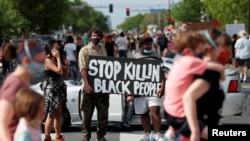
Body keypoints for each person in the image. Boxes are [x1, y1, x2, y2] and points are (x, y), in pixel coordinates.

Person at [163, 29, 225, 141]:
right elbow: (216, 67)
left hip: (170, 112)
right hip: (181, 116)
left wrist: (172, 126)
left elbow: (176, 91)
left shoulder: (179, 61)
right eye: (199, 48)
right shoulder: (192, 62)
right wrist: (195, 131)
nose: (201, 51)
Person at [182, 31, 232, 141]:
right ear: (210, 48)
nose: (227, 51)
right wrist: (195, 130)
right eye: (224, 47)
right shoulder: (208, 73)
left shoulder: (208, 68)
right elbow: (188, 97)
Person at [0, 39, 45, 141]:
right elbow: (2, 123)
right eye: (40, 62)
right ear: (26, 61)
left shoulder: (24, 82)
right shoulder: (15, 84)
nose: (43, 65)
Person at [127, 33, 165, 141]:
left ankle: (157, 134)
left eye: (149, 44)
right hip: (140, 90)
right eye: (146, 44)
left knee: (155, 111)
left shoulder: (156, 56)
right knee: (143, 113)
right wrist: (130, 92)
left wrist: (162, 87)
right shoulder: (136, 57)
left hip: (154, 89)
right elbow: (131, 76)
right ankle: (147, 134)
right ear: (141, 45)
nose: (148, 46)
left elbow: (162, 73)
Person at [78, 27, 109, 141]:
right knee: (87, 116)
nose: (95, 37)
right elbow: (83, 68)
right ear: (90, 36)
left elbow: (107, 68)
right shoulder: (84, 50)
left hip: (102, 89)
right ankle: (86, 137)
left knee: (103, 115)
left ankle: (101, 136)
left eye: (97, 36)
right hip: (89, 89)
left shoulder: (103, 50)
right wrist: (86, 84)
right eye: (93, 35)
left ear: (100, 37)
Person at [41, 39, 67, 141]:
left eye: (58, 47)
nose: (57, 49)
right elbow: (59, 71)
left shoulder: (56, 59)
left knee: (59, 113)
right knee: (51, 114)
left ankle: (58, 136)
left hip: (59, 86)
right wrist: (58, 57)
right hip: (52, 88)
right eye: (54, 48)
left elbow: (64, 73)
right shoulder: (47, 60)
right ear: (49, 49)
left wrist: (67, 64)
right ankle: (47, 137)